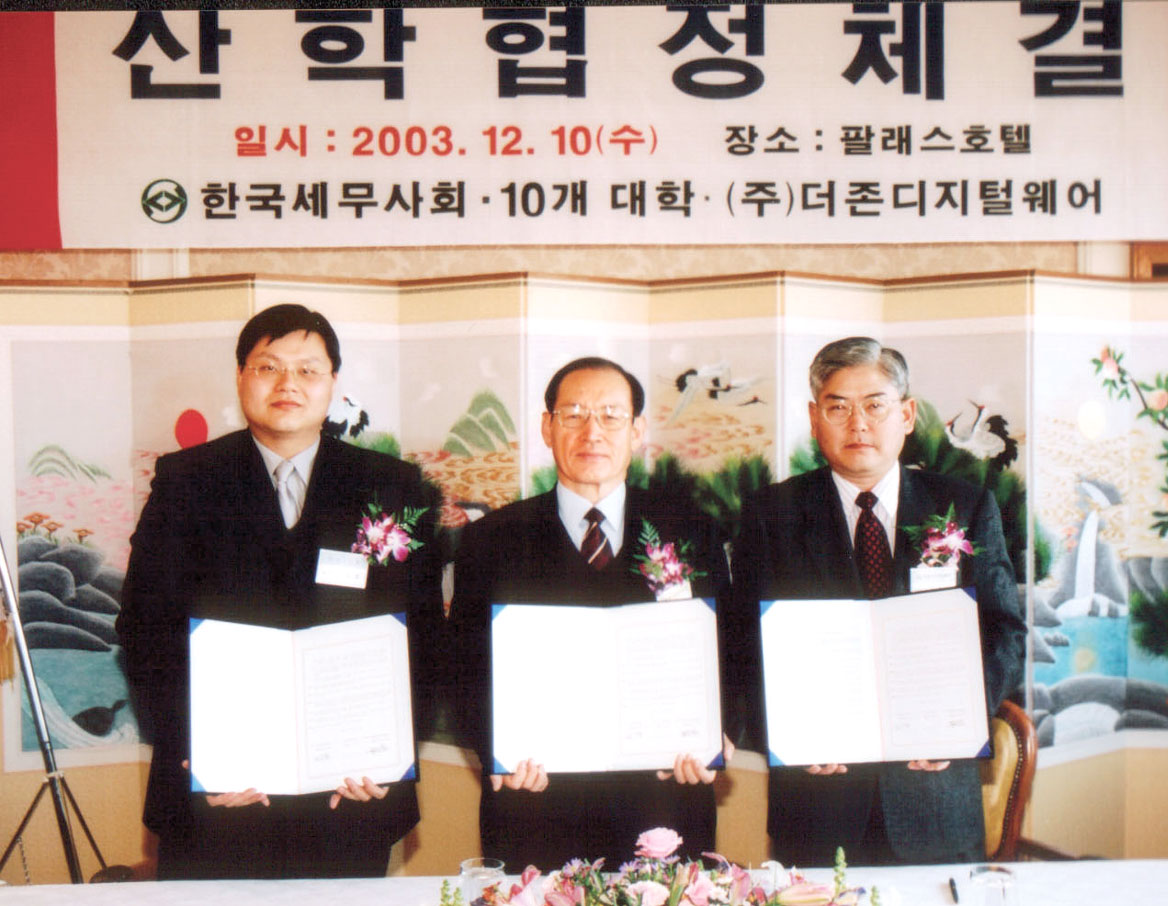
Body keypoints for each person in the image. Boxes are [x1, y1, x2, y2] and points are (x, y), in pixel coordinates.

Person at [117, 304, 441, 879]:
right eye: (268, 367)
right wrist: (200, 754)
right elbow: (144, 633)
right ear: (240, 376)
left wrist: (390, 754)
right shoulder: (185, 482)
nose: (288, 384)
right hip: (216, 799)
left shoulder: (391, 485)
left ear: (333, 382)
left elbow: (424, 637)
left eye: (308, 370)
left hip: (350, 795)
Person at [732, 336, 1026, 867]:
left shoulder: (964, 506)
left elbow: (1004, 633)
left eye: (875, 406)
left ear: (906, 415)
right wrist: (789, 733)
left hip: (933, 800)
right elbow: (740, 648)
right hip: (816, 803)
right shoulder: (771, 514)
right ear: (814, 418)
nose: (858, 424)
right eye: (838, 408)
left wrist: (959, 721)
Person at [450, 356, 731, 869]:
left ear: (637, 431)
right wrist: (497, 750)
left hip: (664, 801)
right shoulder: (491, 539)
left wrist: (719, 737)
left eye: (610, 416)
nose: (592, 432)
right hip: (536, 806)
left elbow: (734, 650)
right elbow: (459, 670)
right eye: (574, 414)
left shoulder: (693, 529)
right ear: (547, 427)